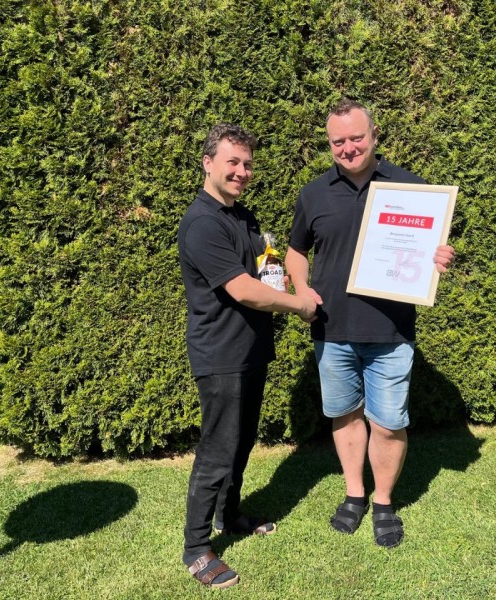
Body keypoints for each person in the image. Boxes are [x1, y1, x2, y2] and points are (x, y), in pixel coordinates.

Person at [285, 99, 455, 548]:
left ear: (375, 135)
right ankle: (354, 493)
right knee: (344, 416)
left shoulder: (413, 188)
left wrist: (440, 257)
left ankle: (383, 501)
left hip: (391, 331)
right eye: (338, 141)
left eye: (357, 137)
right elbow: (296, 250)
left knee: (388, 422)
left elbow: (431, 250)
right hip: (332, 328)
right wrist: (300, 289)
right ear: (329, 145)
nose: (348, 148)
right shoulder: (313, 194)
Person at [178, 123, 318, 589]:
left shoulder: (242, 216)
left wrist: (283, 274)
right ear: (208, 163)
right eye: (232, 162)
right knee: (218, 450)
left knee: (241, 442)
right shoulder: (202, 223)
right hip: (221, 355)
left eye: (247, 164)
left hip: (250, 350)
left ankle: (229, 513)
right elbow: (241, 289)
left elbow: (263, 269)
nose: (241, 171)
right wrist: (299, 304)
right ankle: (197, 548)